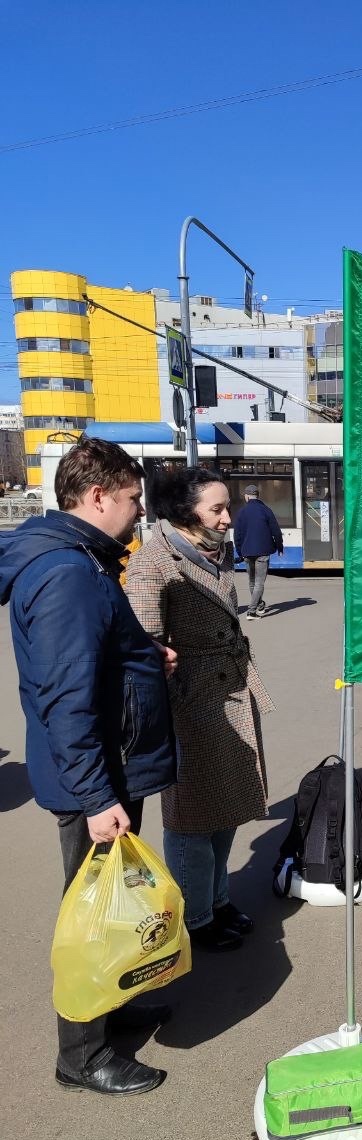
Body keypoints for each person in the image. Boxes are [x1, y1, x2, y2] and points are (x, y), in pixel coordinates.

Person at [0, 438, 178, 1096]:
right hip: (95, 780)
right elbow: (67, 698)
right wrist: (99, 795)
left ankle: (115, 1006)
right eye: (133, 499)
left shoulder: (80, 561)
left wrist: (143, 660)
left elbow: (91, 663)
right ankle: (82, 1055)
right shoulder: (70, 574)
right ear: (97, 496)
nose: (139, 512)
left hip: (105, 768)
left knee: (113, 906)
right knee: (91, 914)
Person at [125, 468, 274, 952]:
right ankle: (196, 917)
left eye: (226, 506)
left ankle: (219, 897)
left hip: (227, 692)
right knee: (191, 816)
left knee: (227, 803)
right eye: (217, 508)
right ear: (186, 512)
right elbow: (142, 648)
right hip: (188, 705)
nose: (228, 518)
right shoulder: (154, 563)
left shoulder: (212, 550)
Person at [232, 484, 283, 619]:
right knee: (259, 582)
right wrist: (280, 547)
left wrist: (240, 551)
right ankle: (252, 611)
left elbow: (237, 535)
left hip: (247, 552)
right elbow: (276, 532)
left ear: (247, 496)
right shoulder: (266, 510)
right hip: (263, 552)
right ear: (257, 496)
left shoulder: (241, 512)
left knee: (252, 581)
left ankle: (260, 606)